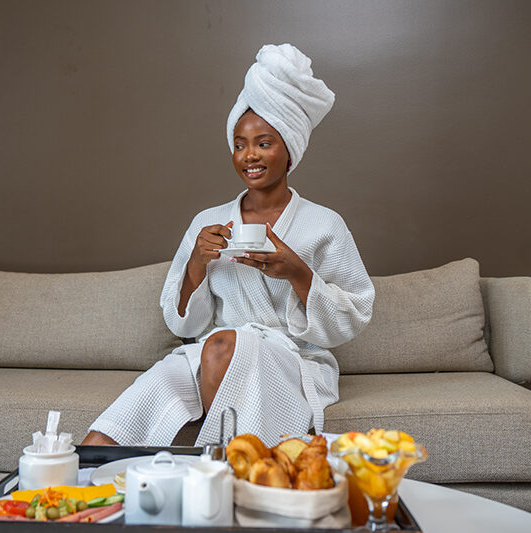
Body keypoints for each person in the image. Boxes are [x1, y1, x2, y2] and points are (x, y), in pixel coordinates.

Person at [82, 44, 374, 448]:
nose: (249, 155)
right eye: (239, 144)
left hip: (292, 362)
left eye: (264, 143)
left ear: (290, 148)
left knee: (221, 346)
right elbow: (183, 324)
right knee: (111, 433)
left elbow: (355, 311)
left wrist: (297, 272)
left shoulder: (324, 224)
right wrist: (197, 265)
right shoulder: (207, 222)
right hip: (211, 353)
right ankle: (78, 496)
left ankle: (217, 481)